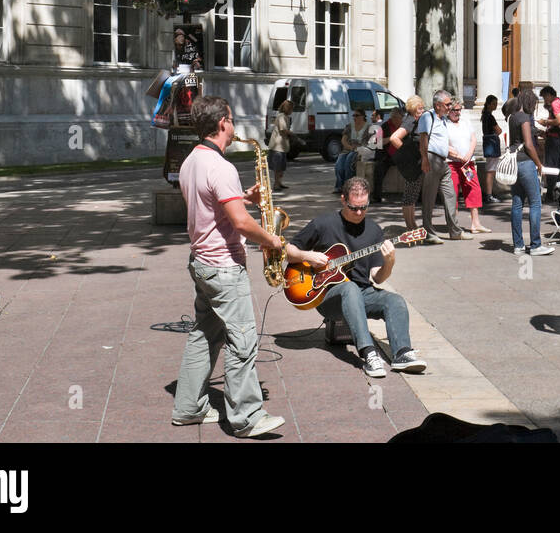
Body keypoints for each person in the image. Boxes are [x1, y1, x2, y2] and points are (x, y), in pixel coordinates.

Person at [171, 95, 302, 437]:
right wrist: (272, 241)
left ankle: (188, 407)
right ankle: (247, 417)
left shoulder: (191, 162)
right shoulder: (221, 166)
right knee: (243, 341)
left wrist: (243, 197)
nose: (234, 124)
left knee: (203, 335)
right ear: (222, 123)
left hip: (201, 262)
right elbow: (241, 224)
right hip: (224, 266)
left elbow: (207, 205)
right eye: (231, 118)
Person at [288, 177, 426, 378]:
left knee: (394, 300)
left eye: (364, 207)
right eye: (354, 208)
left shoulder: (374, 230)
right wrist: (307, 256)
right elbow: (289, 251)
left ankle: (402, 354)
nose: (359, 213)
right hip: (326, 295)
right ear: (343, 200)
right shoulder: (323, 224)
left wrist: (389, 262)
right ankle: (369, 353)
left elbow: (377, 278)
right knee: (349, 288)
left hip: (363, 294)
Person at [508, 89, 553, 256]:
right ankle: (535, 245)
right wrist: (538, 163)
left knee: (517, 203)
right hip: (526, 162)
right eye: (534, 104)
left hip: (514, 162)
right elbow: (528, 144)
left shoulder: (512, 117)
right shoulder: (525, 118)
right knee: (535, 203)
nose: (534, 107)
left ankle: (518, 245)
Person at [418, 90, 465, 241]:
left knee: (451, 195)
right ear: (438, 105)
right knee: (429, 198)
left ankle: (455, 231)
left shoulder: (443, 120)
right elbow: (423, 139)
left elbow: (441, 142)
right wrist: (425, 158)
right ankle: (428, 233)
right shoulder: (428, 116)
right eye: (447, 104)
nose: (450, 107)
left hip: (443, 162)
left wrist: (455, 155)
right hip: (432, 160)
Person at [388, 98, 432, 239]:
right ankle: (410, 226)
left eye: (422, 108)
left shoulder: (413, 120)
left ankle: (412, 224)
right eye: (420, 108)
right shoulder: (410, 121)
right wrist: (407, 153)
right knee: (409, 195)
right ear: (413, 109)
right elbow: (394, 138)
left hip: (415, 162)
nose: (422, 110)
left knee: (411, 195)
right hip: (412, 162)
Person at [446, 101, 490, 233]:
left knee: (473, 189)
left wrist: (469, 154)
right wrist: (459, 156)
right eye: (455, 110)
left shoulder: (465, 122)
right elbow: (442, 144)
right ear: (448, 110)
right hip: (452, 163)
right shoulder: (443, 124)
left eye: (459, 110)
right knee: (452, 193)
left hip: (468, 164)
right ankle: (454, 224)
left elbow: (473, 139)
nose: (458, 112)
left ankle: (475, 223)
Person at [333, 109, 370, 193]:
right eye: (353, 115)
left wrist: (359, 149)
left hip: (359, 150)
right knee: (339, 165)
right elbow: (343, 140)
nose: (354, 117)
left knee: (348, 162)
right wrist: (350, 147)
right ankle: (339, 186)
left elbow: (370, 142)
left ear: (363, 116)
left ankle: (347, 186)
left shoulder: (368, 127)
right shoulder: (349, 126)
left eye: (357, 115)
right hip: (348, 149)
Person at [373, 107, 404, 203]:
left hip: (402, 155)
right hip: (387, 156)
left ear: (402, 118)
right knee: (378, 168)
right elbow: (377, 143)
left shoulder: (404, 127)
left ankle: (417, 196)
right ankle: (376, 196)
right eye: (393, 117)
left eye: (397, 118)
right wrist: (391, 138)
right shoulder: (384, 126)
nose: (394, 120)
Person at [480, 95, 503, 204]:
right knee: (491, 170)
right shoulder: (490, 117)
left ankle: (488, 193)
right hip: (492, 143)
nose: (495, 106)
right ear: (489, 104)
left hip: (488, 142)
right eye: (493, 103)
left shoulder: (485, 115)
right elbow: (498, 130)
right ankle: (488, 194)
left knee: (490, 168)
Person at [538, 85, 560, 170]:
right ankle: (558, 181)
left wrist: (545, 122)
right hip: (558, 137)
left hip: (554, 138)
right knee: (557, 162)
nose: (545, 100)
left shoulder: (555, 104)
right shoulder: (559, 102)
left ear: (549, 95)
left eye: (544, 97)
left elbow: (559, 121)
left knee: (551, 164)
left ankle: (552, 182)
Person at [267, 99, 293, 191]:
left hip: (282, 146)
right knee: (277, 167)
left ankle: (279, 182)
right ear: (287, 108)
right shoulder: (281, 117)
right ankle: (276, 184)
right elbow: (283, 129)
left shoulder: (285, 117)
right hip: (277, 146)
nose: (292, 111)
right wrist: (292, 134)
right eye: (291, 109)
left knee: (282, 167)